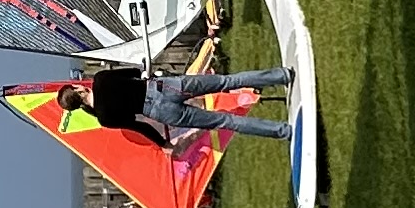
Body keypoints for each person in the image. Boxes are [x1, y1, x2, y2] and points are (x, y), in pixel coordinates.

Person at [84, 60, 291, 145]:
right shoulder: (101, 79)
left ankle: (283, 131)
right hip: (165, 87)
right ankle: (282, 75)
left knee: (225, 121)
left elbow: (139, 125)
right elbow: (135, 72)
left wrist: (163, 143)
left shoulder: (104, 118)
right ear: (79, 90)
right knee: (227, 81)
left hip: (159, 111)